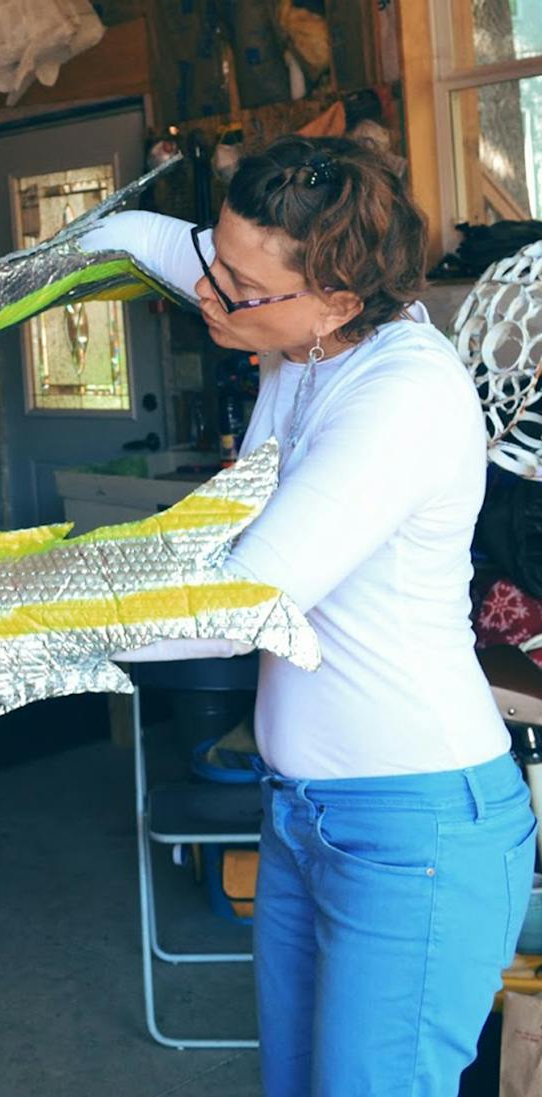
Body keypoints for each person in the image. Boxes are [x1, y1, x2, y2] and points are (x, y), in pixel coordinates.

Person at [83, 135, 535, 1094]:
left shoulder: (401, 395)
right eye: (219, 262)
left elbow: (245, 604)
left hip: (412, 830)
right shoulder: (299, 328)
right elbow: (126, 236)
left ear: (335, 299)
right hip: (298, 815)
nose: (211, 294)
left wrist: (11, 613)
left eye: (242, 287)